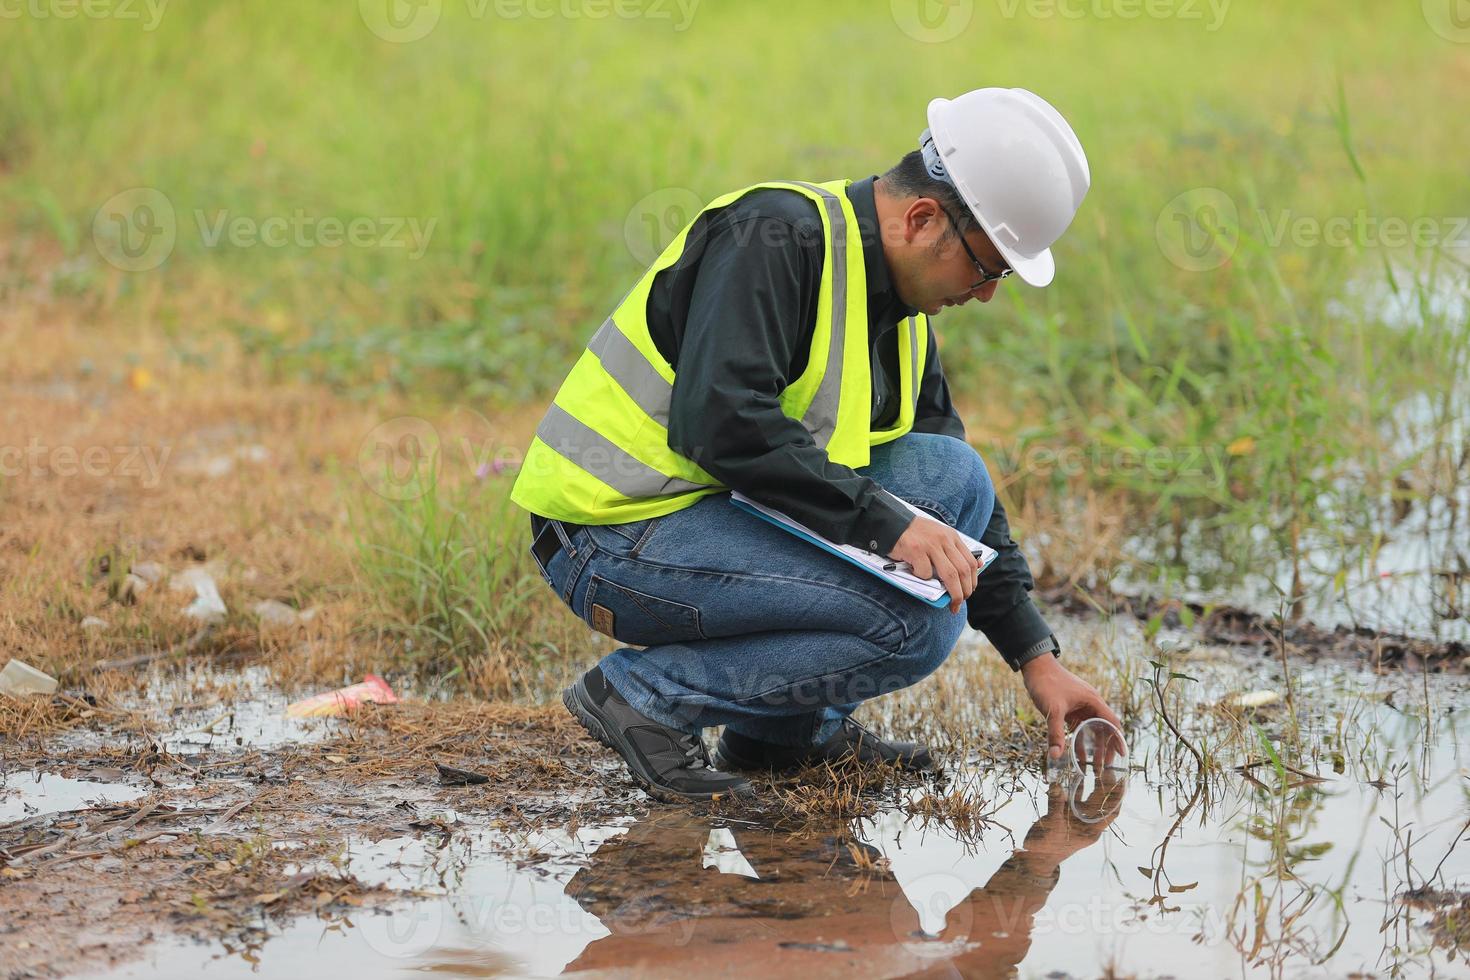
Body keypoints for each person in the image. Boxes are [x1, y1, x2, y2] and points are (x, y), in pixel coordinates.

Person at [510, 87, 1121, 801]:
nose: (987, 294)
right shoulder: (773, 237)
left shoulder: (904, 309)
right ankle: (644, 697)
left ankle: (784, 736)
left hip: (709, 519)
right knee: (912, 626)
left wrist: (1035, 657)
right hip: (609, 538)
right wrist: (888, 525)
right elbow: (721, 424)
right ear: (923, 220)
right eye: (987, 269)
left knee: (953, 474)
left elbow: (964, 505)